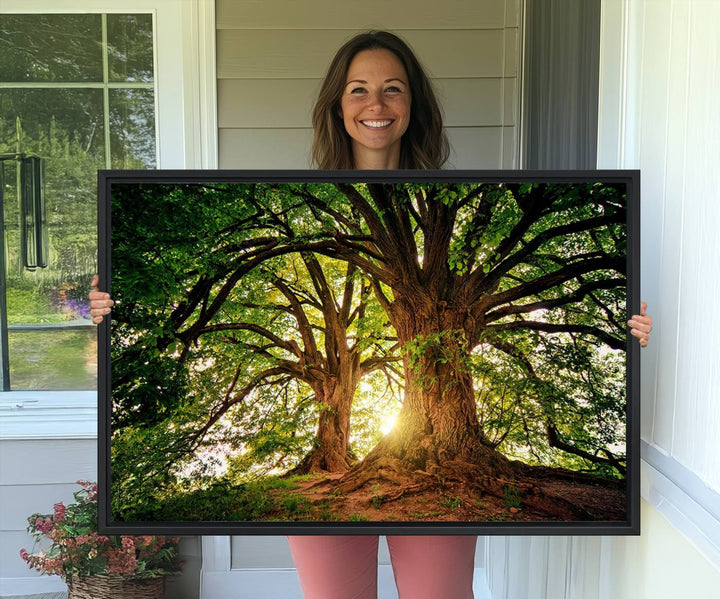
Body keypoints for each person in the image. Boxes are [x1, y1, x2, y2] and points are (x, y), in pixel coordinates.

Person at [89, 30, 653, 599]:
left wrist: (626, 331)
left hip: (442, 472)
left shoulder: (454, 197)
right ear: (338, 105)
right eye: (358, 90)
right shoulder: (301, 203)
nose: (376, 105)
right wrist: (113, 311)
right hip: (342, 487)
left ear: (413, 105)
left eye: (393, 89)